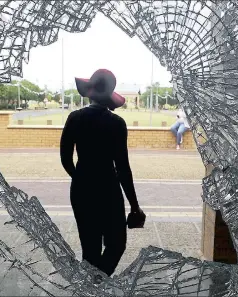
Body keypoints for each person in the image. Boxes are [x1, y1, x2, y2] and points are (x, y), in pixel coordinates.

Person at [60, 69, 145, 280]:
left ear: (90, 92)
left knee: (89, 248)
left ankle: (91, 283)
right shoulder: (116, 124)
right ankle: (97, 282)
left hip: (81, 190)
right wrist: (134, 205)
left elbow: (65, 158)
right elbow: (123, 168)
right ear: (109, 94)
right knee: (116, 244)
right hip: (109, 189)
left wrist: (80, 177)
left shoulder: (74, 118)